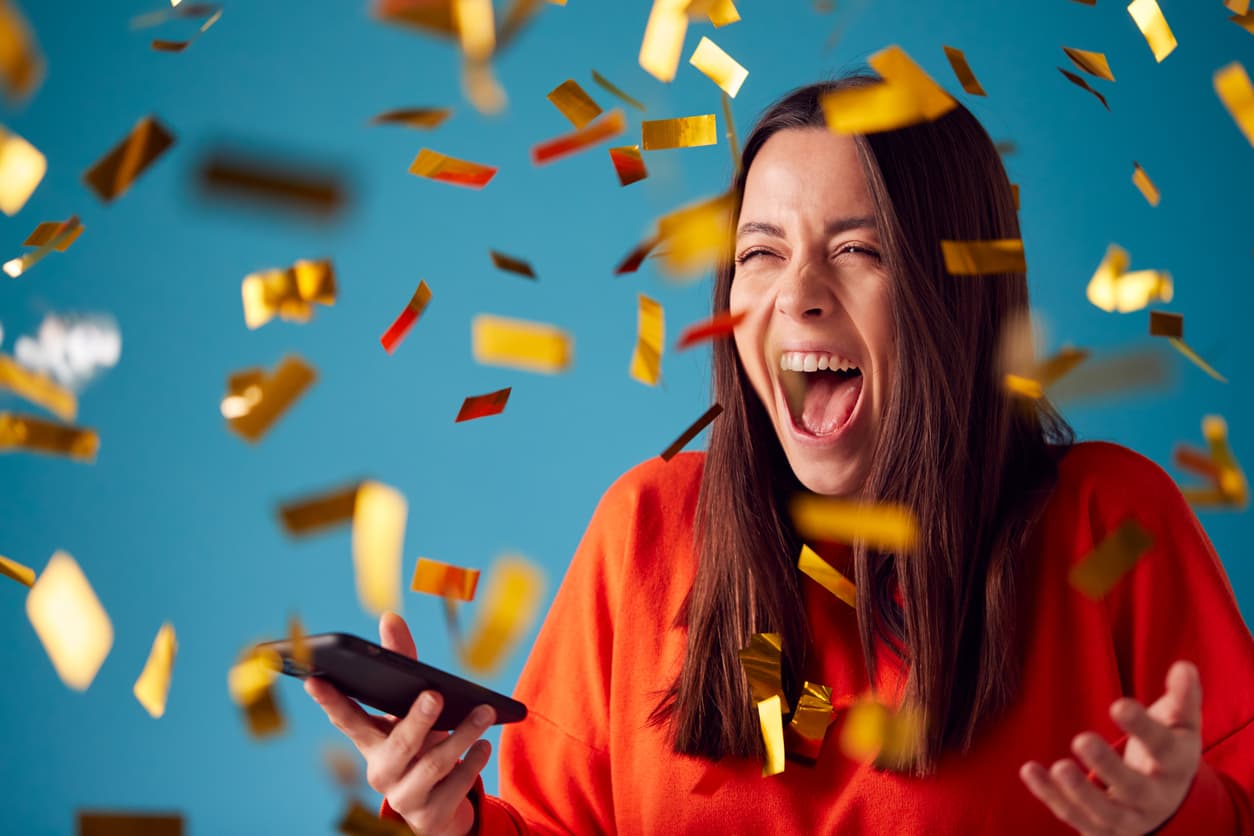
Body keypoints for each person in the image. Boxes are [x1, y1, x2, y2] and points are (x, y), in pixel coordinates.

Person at [306, 78, 1254, 834]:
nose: (795, 295)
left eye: (858, 249)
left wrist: (1181, 815)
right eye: (760, 252)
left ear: (955, 291)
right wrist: (452, 823)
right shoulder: (646, 526)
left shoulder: (1109, 524)